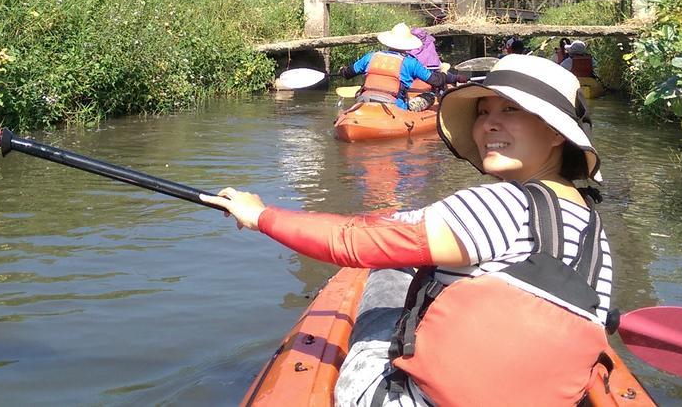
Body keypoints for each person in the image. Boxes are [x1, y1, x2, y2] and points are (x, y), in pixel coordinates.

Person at [205, 55, 612, 405]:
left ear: (557, 132)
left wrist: (260, 216)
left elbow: (353, 242)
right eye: (484, 112)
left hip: (404, 401)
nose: (488, 125)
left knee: (386, 272)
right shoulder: (594, 229)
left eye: (509, 111)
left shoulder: (500, 204)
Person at [335, 23, 466, 112]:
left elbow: (348, 73)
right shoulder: (411, 63)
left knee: (360, 91)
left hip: (364, 101)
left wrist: (342, 71)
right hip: (394, 106)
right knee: (430, 96)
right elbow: (436, 81)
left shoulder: (370, 56)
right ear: (408, 45)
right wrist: (443, 72)